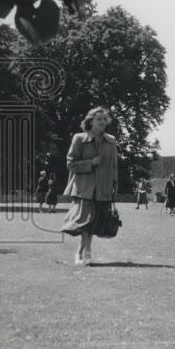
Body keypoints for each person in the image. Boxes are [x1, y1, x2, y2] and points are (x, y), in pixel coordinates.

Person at [61, 105, 118, 266]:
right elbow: (71, 164)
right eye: (98, 119)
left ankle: (82, 252)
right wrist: (90, 163)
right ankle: (85, 253)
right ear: (90, 121)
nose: (102, 121)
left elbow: (114, 166)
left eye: (104, 119)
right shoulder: (79, 138)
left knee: (93, 223)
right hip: (84, 188)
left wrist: (115, 187)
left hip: (103, 188)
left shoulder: (111, 141)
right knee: (86, 221)